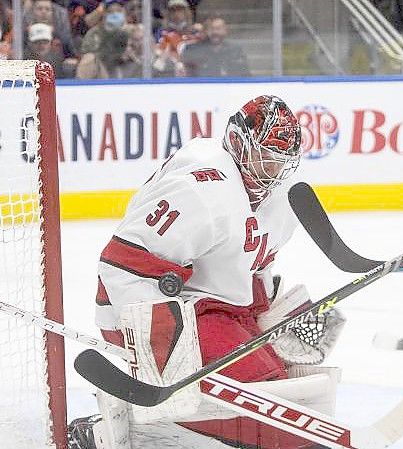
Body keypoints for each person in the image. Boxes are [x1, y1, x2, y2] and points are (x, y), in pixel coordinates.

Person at [67, 95, 345, 449]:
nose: (272, 173)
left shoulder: (279, 198)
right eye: (265, 159)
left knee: (285, 382)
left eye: (280, 164)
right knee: (262, 397)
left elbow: (255, 267)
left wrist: (272, 316)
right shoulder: (200, 190)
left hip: (220, 312)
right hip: (162, 316)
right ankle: (125, 430)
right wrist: (158, 346)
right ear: (237, 142)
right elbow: (121, 265)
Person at [181, 16, 250, 77]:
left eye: (218, 29)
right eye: (211, 29)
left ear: (225, 30)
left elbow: (245, 76)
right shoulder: (192, 50)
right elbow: (185, 77)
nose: (215, 32)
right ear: (205, 31)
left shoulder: (235, 51)